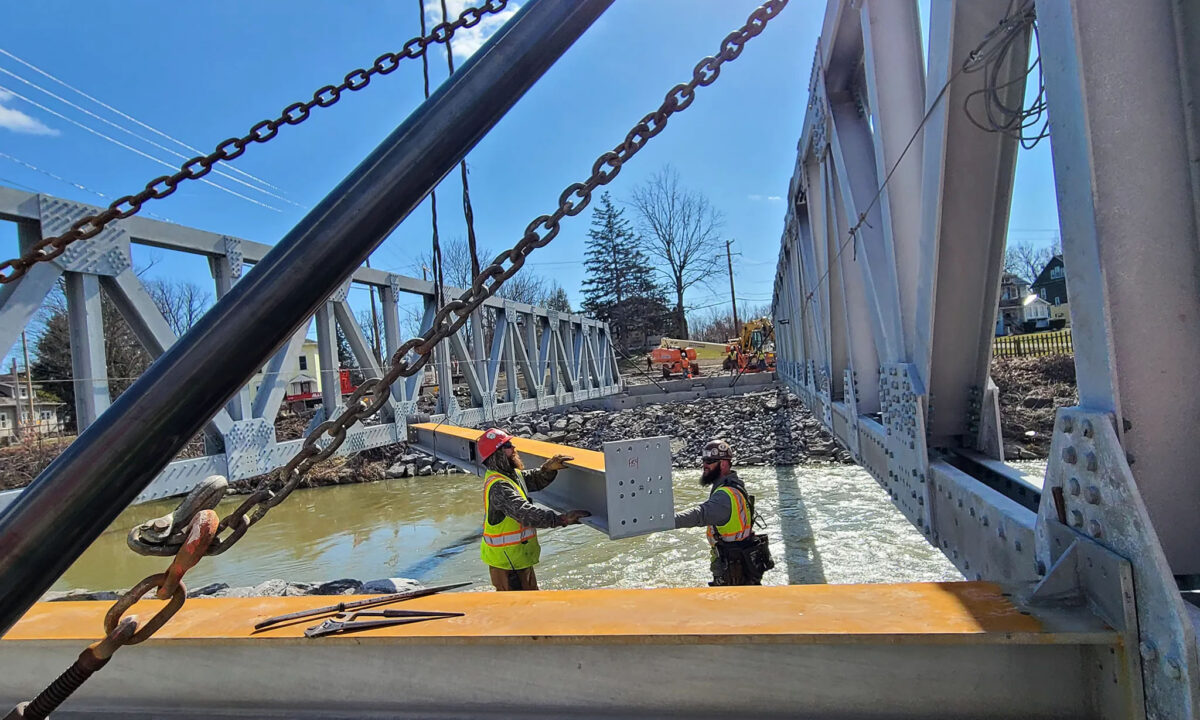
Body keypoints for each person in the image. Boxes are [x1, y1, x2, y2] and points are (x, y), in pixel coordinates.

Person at [477, 428, 590, 591]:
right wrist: (562, 519)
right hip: (508, 565)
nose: (513, 448)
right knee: (518, 610)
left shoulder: (510, 475)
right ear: (497, 454)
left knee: (530, 604)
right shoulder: (499, 486)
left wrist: (548, 468)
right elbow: (525, 513)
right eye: (507, 445)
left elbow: (532, 480)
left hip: (517, 559)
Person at [673, 439, 774, 586]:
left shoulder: (724, 496)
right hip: (743, 563)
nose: (705, 465)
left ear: (724, 464)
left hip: (733, 569)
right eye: (704, 460)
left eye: (710, 461)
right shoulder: (735, 484)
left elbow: (699, 515)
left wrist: (666, 520)